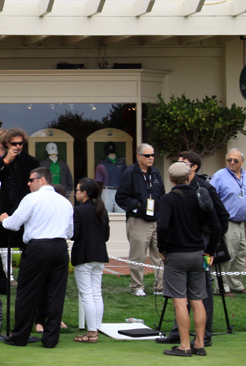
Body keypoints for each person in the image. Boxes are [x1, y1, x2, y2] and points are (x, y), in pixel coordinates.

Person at [155, 151, 225, 347]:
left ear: (170, 178)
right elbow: (217, 226)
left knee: (179, 301)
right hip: (198, 254)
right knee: (198, 299)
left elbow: (162, 226)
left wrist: (162, 248)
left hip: (177, 254)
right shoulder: (200, 195)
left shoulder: (168, 199)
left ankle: (185, 345)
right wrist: (210, 250)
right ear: (188, 176)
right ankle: (200, 343)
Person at [1, 167, 74, 349]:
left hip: (38, 248)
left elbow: (13, 224)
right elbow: (70, 232)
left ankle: (20, 336)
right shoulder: (65, 202)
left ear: (42, 180)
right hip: (59, 247)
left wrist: (4, 219)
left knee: (27, 292)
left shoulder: (32, 199)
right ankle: (50, 338)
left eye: (31, 180)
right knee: (56, 294)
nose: (28, 183)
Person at [0, 128, 40, 294]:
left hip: (24, 212)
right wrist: (7, 161)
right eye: (14, 144)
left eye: (20, 143)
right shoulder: (2, 161)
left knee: (27, 249)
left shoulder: (31, 162)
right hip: (4, 212)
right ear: (7, 145)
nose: (17, 146)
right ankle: (1, 284)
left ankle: (26, 283)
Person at [115, 143, 165, 296]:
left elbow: (161, 193)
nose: (151, 158)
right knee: (138, 255)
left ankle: (160, 287)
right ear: (138, 157)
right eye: (147, 155)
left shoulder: (155, 173)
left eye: (152, 155)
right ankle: (137, 286)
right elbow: (121, 197)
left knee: (159, 254)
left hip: (156, 219)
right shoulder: (129, 173)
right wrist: (137, 206)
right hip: (138, 220)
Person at [71, 178, 109, 343]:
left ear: (84, 193)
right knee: (96, 293)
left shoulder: (79, 211)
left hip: (84, 255)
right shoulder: (101, 210)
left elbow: (74, 234)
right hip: (99, 254)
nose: (76, 193)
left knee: (87, 294)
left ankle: (92, 332)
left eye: (78, 190)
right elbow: (106, 235)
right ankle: (95, 328)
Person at [209, 147, 246, 296]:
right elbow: (211, 197)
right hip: (227, 222)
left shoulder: (244, 176)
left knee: (240, 254)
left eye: (235, 160)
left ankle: (236, 284)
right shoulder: (219, 176)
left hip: (241, 222)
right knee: (226, 255)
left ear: (242, 161)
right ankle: (221, 287)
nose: (231, 162)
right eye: (229, 160)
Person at [93, 141, 126, 213]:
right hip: (107, 190)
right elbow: (98, 183)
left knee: (121, 213)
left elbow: (126, 180)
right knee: (106, 213)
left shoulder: (122, 164)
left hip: (120, 190)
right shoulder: (101, 165)